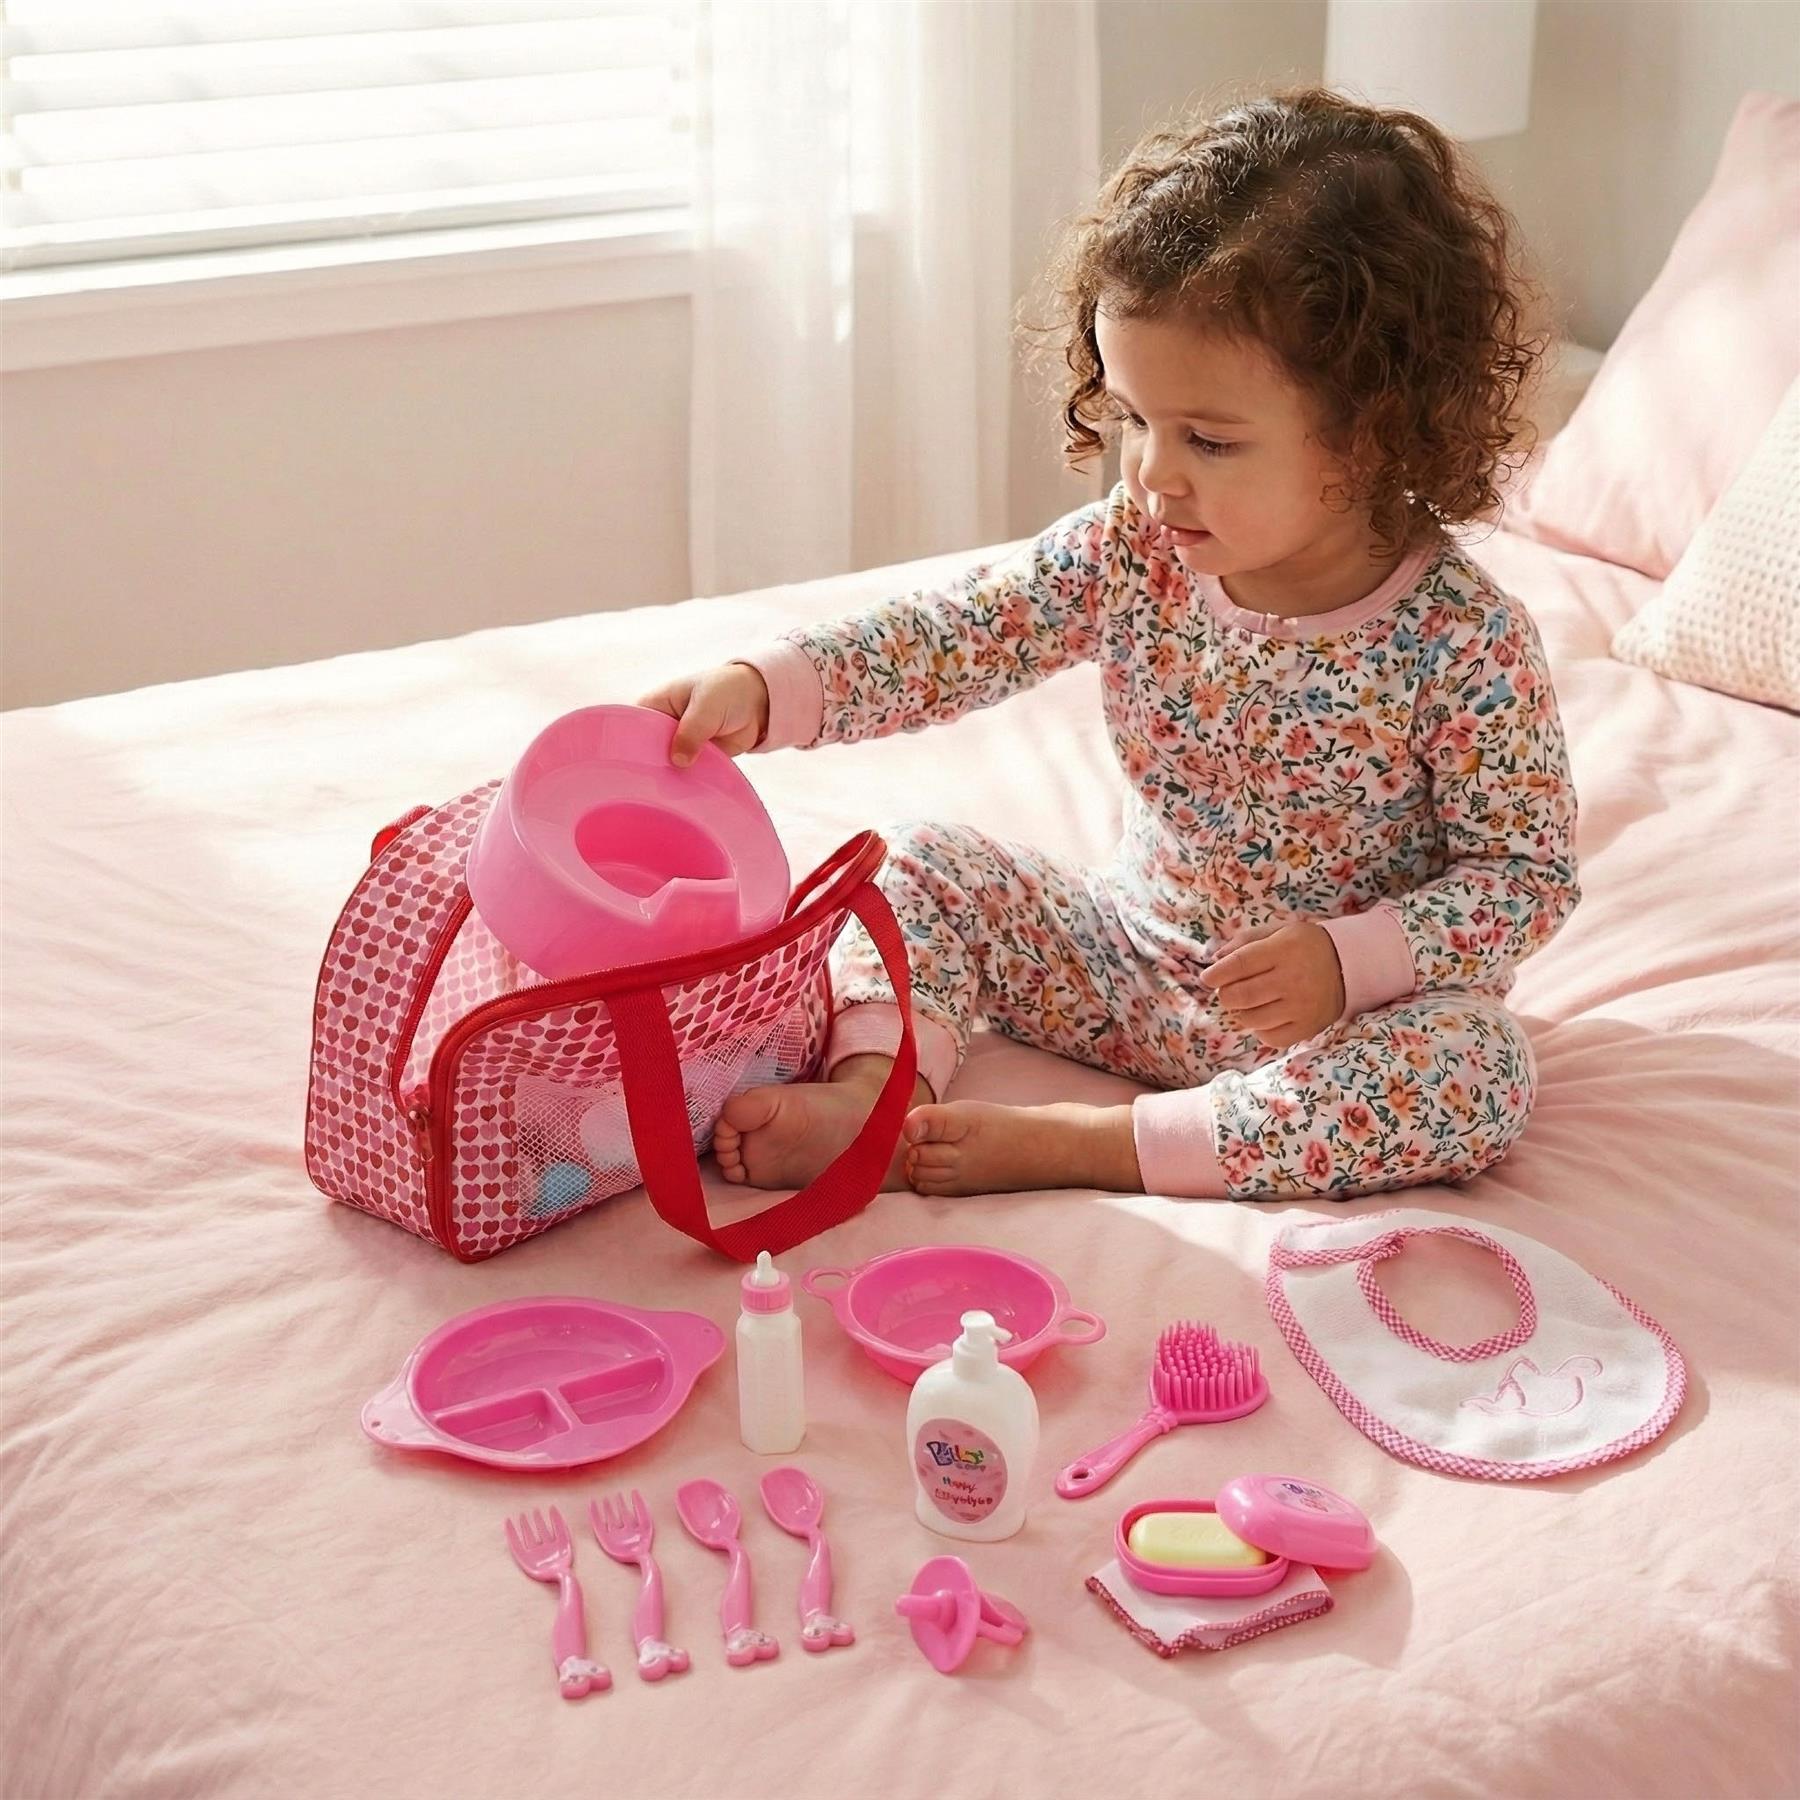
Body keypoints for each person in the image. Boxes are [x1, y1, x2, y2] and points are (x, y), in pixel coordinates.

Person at [639, 86, 1579, 1203]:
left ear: (1373, 434)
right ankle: (876, 1100)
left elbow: (1527, 877)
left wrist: (1352, 961)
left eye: (1210, 441)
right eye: (1136, 418)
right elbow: (960, 633)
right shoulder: (1135, 548)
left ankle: (1091, 1147)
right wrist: (768, 686)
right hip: (1126, 962)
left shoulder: (1464, 643)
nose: (1152, 472)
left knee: (1481, 1073)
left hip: (1343, 1026)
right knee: (915, 863)